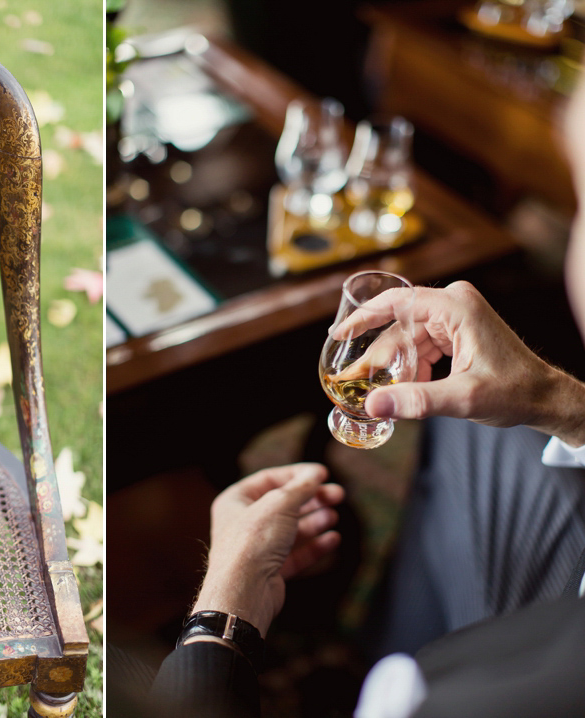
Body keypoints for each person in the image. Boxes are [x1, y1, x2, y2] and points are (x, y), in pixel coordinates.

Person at [114, 55, 585, 718]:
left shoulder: (439, 702)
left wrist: (221, 609)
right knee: (475, 435)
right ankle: (380, 645)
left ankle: (390, 656)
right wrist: (565, 407)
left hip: (494, 664)